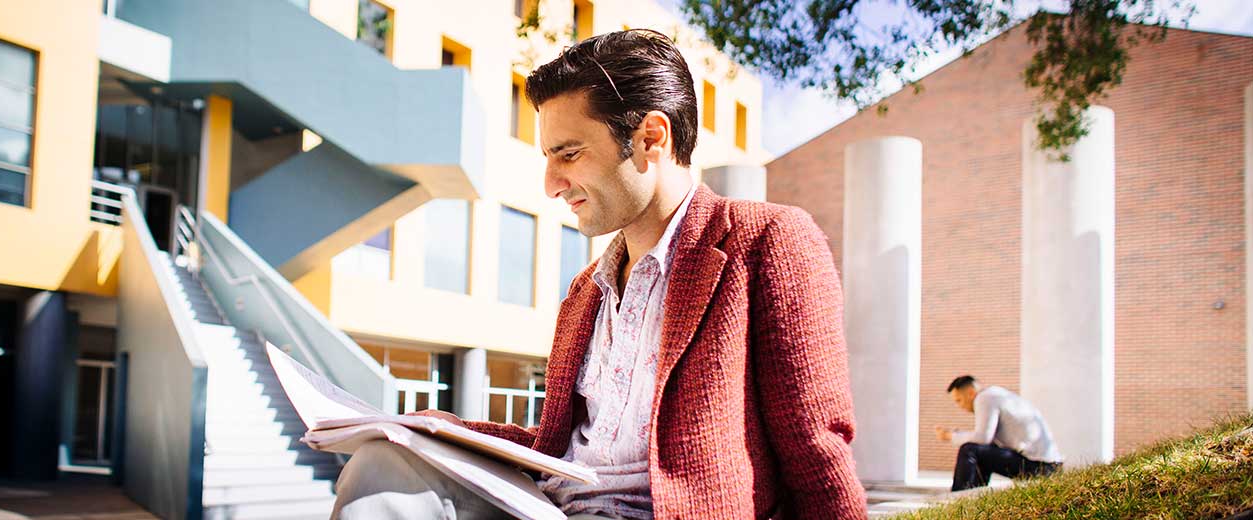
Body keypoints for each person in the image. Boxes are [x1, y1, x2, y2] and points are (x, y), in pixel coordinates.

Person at [330, 29, 865, 519]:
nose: (551, 183)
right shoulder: (586, 291)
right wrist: (439, 429)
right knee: (380, 463)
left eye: (569, 153)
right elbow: (559, 447)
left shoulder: (766, 240)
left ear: (651, 138)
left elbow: (815, 446)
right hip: (552, 507)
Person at [934, 375, 1064, 492]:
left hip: (1041, 468)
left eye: (959, 400)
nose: (960, 406)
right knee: (981, 453)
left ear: (971, 393)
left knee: (969, 450)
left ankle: (956, 500)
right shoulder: (995, 394)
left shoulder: (984, 398)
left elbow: (983, 438)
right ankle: (973, 499)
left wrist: (949, 436)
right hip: (1048, 466)